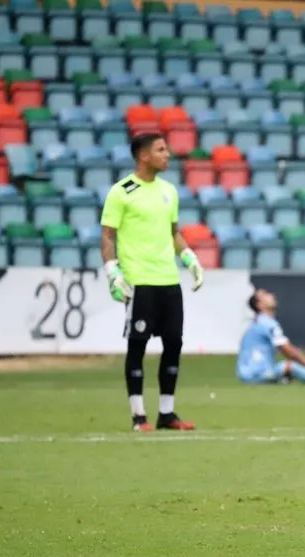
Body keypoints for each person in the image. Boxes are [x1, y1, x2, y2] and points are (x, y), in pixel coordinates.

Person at [100, 132, 205, 431]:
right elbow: (108, 235)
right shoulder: (122, 192)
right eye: (161, 150)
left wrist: (190, 259)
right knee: (138, 345)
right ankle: (138, 417)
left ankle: (167, 414)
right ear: (143, 155)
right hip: (139, 281)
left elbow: (174, 232)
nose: (168, 154)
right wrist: (113, 272)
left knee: (174, 344)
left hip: (168, 279)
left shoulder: (169, 191)